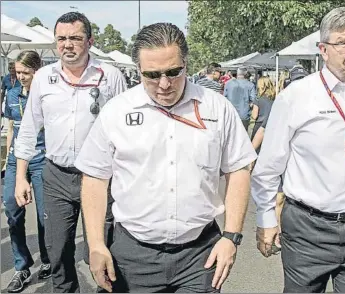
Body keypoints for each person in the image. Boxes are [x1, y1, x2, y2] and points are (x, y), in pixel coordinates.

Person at [74, 22, 257, 293]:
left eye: (173, 72)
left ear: (186, 63)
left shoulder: (217, 108)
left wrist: (231, 236)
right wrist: (97, 245)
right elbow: (95, 179)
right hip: (133, 257)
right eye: (152, 74)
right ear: (138, 70)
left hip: (199, 255)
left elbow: (239, 168)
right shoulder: (115, 112)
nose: (164, 84)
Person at [251, 7, 345, 293]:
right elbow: (268, 168)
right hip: (307, 229)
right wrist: (266, 218)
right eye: (343, 43)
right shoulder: (295, 97)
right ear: (323, 49)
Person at [13, 12, 127, 292]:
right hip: (56, 177)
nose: (67, 44)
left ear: (89, 41)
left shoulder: (110, 76)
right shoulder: (42, 78)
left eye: (75, 38)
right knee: (59, 250)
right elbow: (29, 129)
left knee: (100, 250)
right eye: (61, 38)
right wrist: (20, 176)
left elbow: (126, 130)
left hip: (100, 178)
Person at [3, 51, 50, 293]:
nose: (21, 77)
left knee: (44, 216)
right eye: (18, 72)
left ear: (37, 71)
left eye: (26, 73)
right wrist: (7, 159)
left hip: (41, 159)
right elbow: (11, 126)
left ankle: (47, 258)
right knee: (12, 210)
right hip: (15, 160)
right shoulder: (11, 94)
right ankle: (21, 266)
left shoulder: (46, 96)